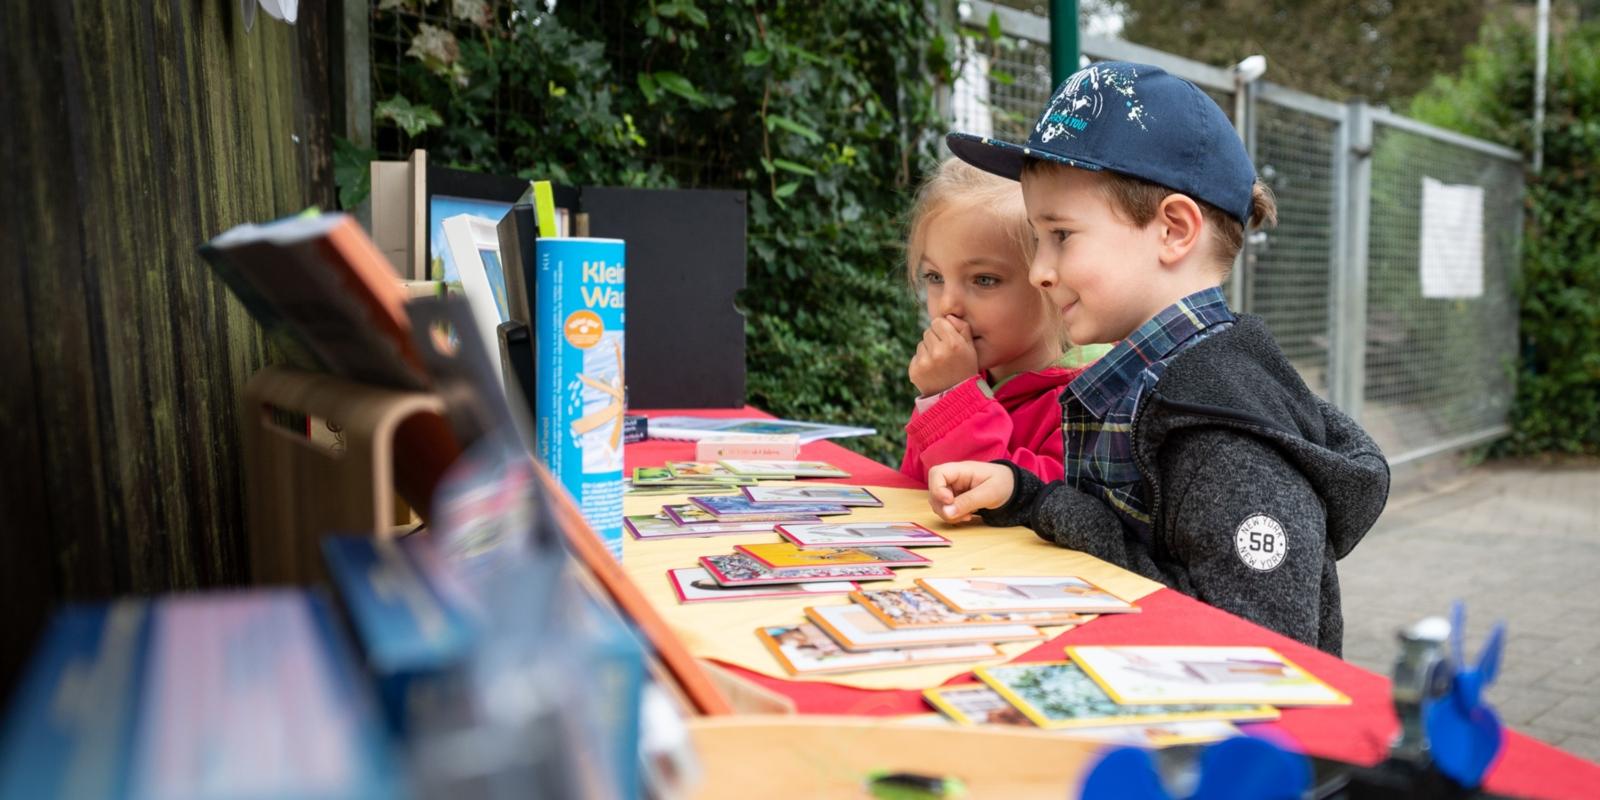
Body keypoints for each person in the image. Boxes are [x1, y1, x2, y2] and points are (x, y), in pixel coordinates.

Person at [930, 62, 1389, 655]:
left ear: (1173, 229)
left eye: (1061, 235)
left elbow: (1255, 653)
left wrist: (1048, 508)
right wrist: (1025, 496)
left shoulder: (1222, 434)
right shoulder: (1150, 385)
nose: (1040, 271)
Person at [899, 157, 1109, 484]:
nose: (947, 306)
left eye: (984, 280)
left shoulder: (1086, 401)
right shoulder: (962, 377)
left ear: (1048, 281)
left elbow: (1013, 500)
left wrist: (953, 400)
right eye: (935, 276)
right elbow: (914, 490)